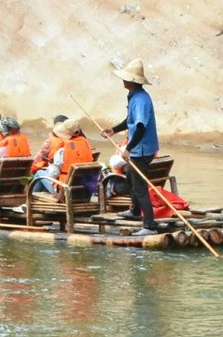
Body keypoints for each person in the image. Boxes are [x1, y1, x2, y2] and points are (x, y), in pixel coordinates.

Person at [101, 58, 159, 236]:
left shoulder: (141, 100)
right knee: (131, 178)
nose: (123, 81)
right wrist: (114, 130)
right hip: (139, 147)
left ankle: (148, 226)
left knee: (139, 186)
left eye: (125, 78)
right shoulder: (134, 96)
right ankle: (134, 211)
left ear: (131, 81)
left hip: (142, 148)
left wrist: (128, 149)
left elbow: (140, 127)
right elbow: (131, 121)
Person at [31, 116, 93, 192]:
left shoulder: (62, 152)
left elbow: (53, 174)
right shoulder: (87, 146)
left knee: (39, 173)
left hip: (65, 191)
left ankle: (30, 199)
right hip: (84, 190)